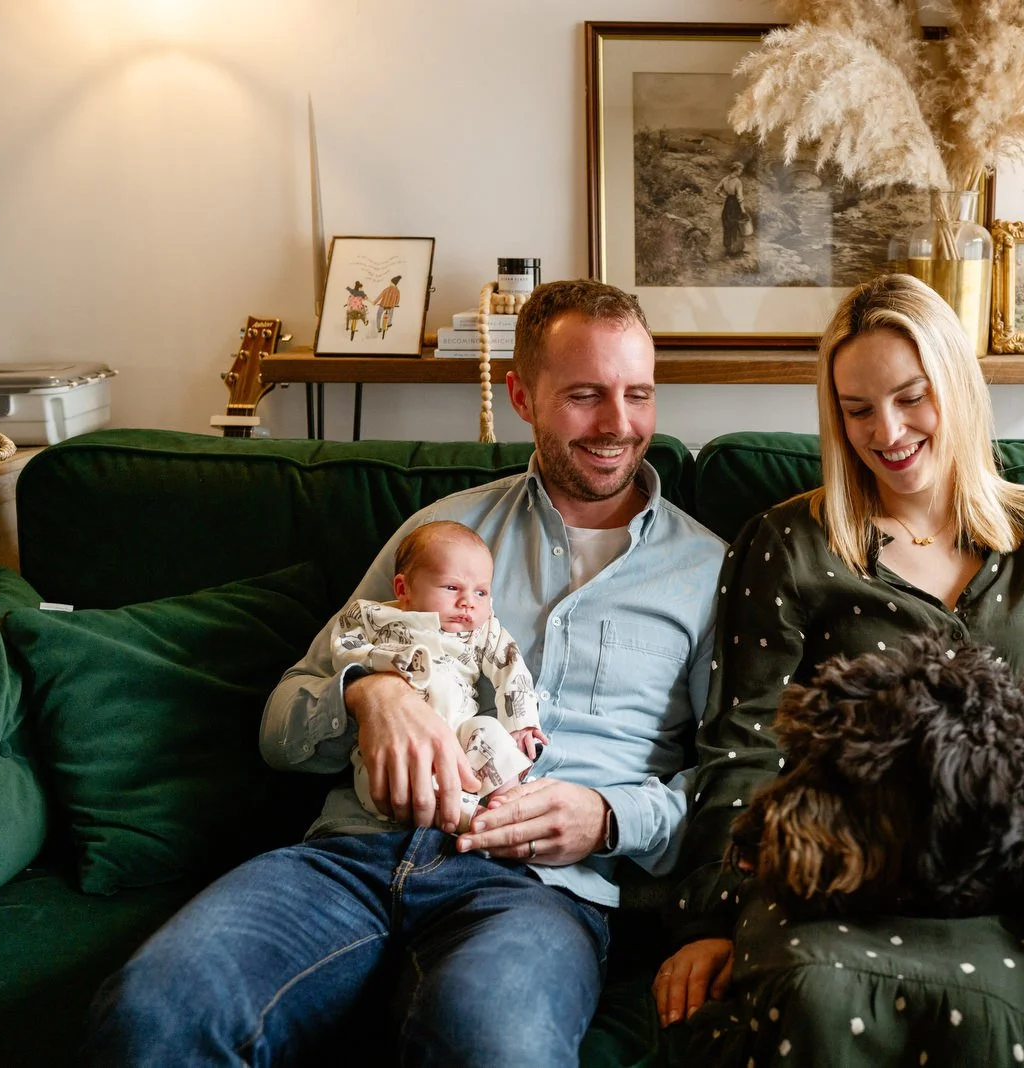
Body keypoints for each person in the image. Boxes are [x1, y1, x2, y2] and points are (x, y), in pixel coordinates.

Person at [82, 279, 727, 1066]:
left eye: (638, 394)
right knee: (150, 1013)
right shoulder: (438, 535)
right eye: (586, 395)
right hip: (350, 857)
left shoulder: (707, 571)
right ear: (521, 396)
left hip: (536, 893)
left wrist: (609, 817)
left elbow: (742, 787)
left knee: (492, 1047)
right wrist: (367, 693)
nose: (619, 425)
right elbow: (281, 727)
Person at [654, 273, 1024, 1052]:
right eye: (857, 410)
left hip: (1018, 875)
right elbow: (740, 750)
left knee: (1011, 1009)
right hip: (839, 878)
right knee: (814, 989)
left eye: (912, 397)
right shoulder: (789, 544)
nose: (887, 431)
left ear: (956, 385)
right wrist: (714, 916)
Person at [330, 519, 548, 819]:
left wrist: (522, 723)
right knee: (393, 768)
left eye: (481, 592)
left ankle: (507, 806)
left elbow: (511, 666)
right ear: (403, 588)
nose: (468, 602)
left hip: (461, 737)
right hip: (399, 742)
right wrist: (385, 662)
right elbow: (344, 647)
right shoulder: (375, 617)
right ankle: (465, 817)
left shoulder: (484, 632)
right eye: (452, 587)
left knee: (490, 732)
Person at [717, 161, 748, 257]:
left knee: (727, 225)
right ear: (736, 170)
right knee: (736, 226)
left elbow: (716, 190)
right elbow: (740, 197)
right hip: (735, 205)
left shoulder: (724, 179)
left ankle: (728, 250)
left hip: (727, 204)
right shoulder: (737, 182)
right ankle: (735, 250)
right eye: (740, 169)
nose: (741, 172)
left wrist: (724, 197)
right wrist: (743, 210)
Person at [373, 274, 404, 338]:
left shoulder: (387, 289)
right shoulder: (397, 291)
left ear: (393, 283)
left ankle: (379, 328)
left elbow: (380, 296)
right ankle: (389, 323)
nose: (389, 283)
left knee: (378, 316)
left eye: (390, 282)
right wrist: (395, 304)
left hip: (383, 305)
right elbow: (398, 300)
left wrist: (375, 302)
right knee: (391, 313)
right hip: (391, 306)